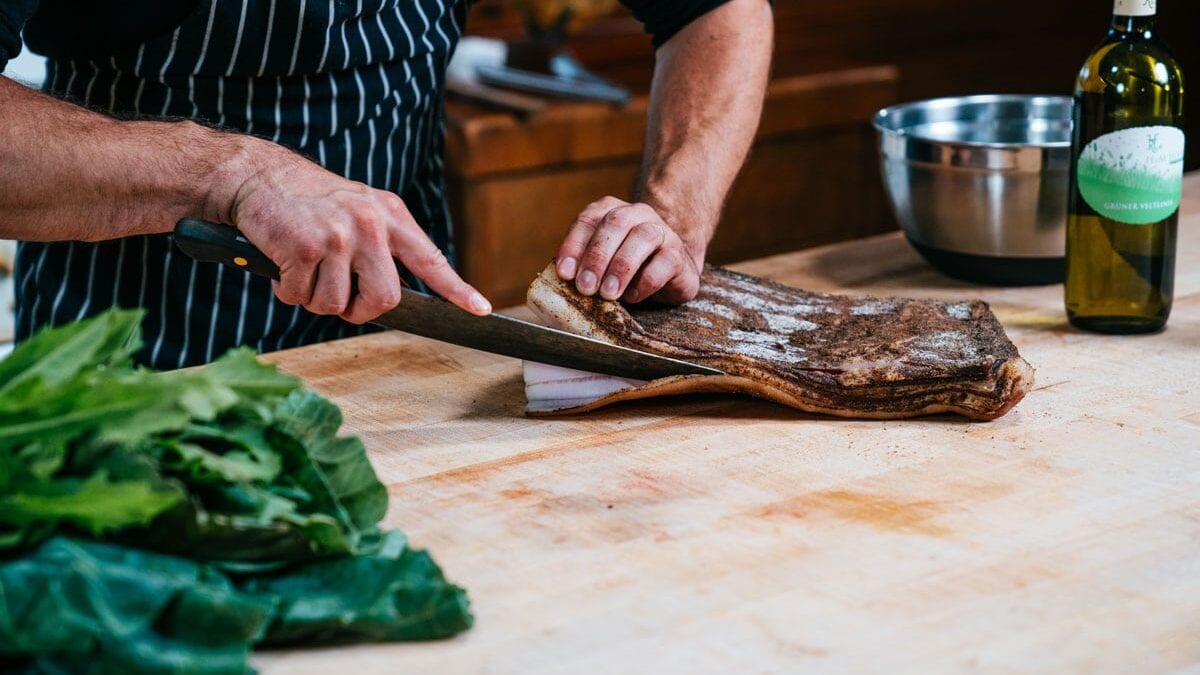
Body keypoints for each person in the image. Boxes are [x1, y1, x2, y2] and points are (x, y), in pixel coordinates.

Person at [0, 0, 772, 369]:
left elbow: (717, 11)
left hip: (406, 354)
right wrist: (232, 173)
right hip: (138, 362)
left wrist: (673, 210)